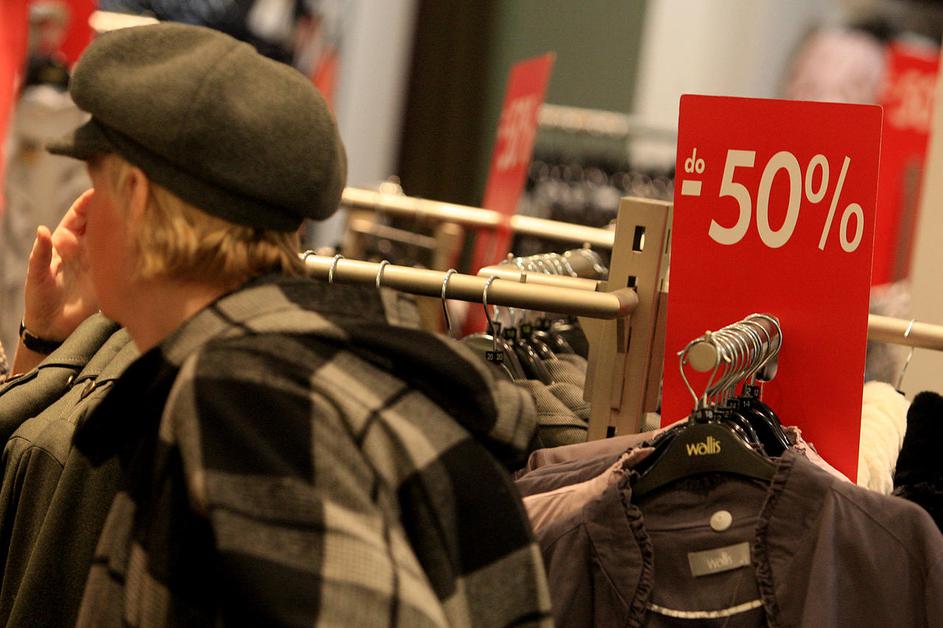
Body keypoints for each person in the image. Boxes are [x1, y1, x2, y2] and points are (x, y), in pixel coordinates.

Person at [29, 22, 550, 627]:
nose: (83, 214)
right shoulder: (304, 369)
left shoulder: (244, 399)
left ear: (137, 195)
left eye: (95, 184)